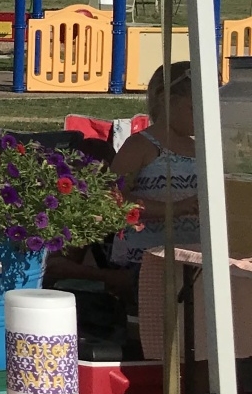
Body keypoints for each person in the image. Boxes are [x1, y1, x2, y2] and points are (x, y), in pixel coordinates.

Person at [48, 62, 198, 305]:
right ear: (165, 99)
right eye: (194, 108)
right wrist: (177, 208)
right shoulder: (142, 146)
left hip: (192, 255)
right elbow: (112, 201)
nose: (203, 115)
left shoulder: (200, 146)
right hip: (147, 258)